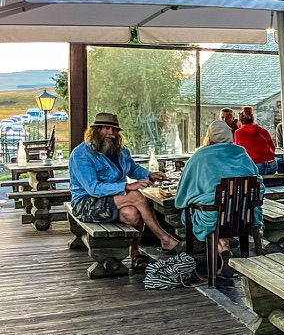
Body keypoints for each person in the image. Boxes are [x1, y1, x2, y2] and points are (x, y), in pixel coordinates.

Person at [68, 112, 179, 269]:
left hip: (114, 199)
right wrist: (126, 186)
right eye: (106, 129)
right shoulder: (81, 155)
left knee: (133, 214)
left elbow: (132, 168)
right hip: (86, 203)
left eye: (114, 130)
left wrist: (149, 174)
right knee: (136, 196)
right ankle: (165, 239)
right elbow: (93, 188)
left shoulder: (120, 151)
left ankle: (135, 253)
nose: (111, 134)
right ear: (96, 130)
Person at [176, 121, 264, 272]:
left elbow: (183, 191)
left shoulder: (200, 156)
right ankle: (225, 251)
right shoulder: (242, 153)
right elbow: (258, 184)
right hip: (243, 216)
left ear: (209, 136)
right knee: (224, 211)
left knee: (197, 213)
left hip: (211, 217)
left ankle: (223, 253)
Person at [234, 106, 278, 175]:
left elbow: (239, 151)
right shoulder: (262, 130)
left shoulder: (238, 132)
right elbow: (272, 147)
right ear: (253, 119)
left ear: (239, 121)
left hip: (255, 164)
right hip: (271, 164)